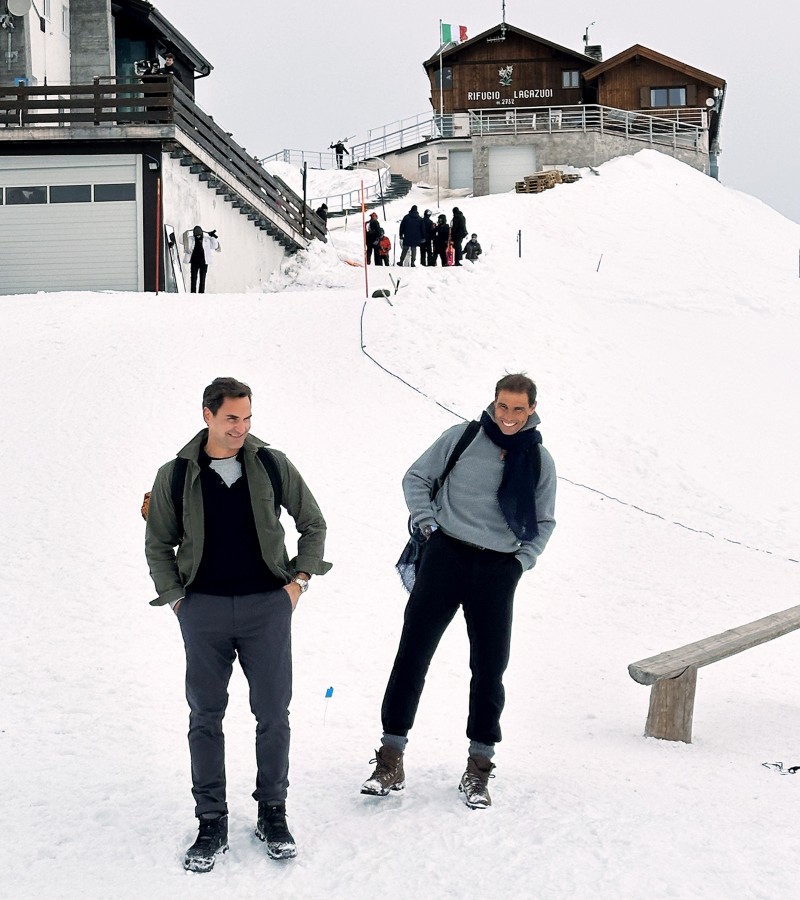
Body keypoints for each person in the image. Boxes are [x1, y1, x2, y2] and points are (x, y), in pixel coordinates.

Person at [145, 377, 331, 872]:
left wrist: (298, 583)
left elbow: (313, 522)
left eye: (248, 418)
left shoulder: (271, 463)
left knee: (273, 714)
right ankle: (211, 820)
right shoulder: (177, 473)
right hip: (202, 610)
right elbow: (157, 543)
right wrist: (178, 603)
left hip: (266, 609)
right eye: (232, 418)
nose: (241, 428)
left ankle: (273, 812)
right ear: (207, 414)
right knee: (205, 716)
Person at [361, 373, 556, 810]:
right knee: (412, 654)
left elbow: (544, 522)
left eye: (518, 409)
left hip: (497, 570)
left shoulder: (540, 460)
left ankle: (479, 767)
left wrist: (519, 564)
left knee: (489, 669)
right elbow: (416, 477)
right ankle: (390, 757)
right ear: (493, 403)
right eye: (502, 407)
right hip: (445, 556)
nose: (508, 417)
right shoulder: (463, 437)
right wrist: (426, 523)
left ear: (532, 410)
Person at [183, 226, 219, 293]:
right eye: (196, 236)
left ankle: (201, 293)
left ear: (202, 234)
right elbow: (181, 240)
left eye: (199, 235)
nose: (198, 237)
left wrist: (212, 237)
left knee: (202, 279)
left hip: (204, 262)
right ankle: (193, 293)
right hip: (194, 262)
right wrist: (186, 233)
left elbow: (215, 246)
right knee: (193, 278)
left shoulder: (207, 239)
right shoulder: (190, 239)